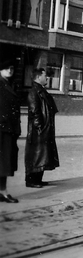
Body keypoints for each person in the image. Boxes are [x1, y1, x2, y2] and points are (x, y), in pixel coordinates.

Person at [25, 68, 60, 188]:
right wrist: (39, 127)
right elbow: (35, 112)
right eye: (45, 76)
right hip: (39, 130)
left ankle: (38, 179)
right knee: (37, 155)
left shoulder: (41, 90)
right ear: (39, 77)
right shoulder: (34, 92)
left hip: (44, 129)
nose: (47, 78)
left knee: (42, 156)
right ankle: (31, 181)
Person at [0, 58, 21, 203]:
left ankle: (2, 191)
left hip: (8, 129)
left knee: (5, 162)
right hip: (1, 128)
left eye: (12, 68)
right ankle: (3, 192)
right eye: (6, 68)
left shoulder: (10, 85)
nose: (10, 71)